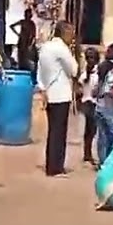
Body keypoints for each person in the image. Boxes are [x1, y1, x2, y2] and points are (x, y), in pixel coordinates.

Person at [36, 21, 78, 178]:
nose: (72, 37)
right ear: (65, 33)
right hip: (61, 94)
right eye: (71, 33)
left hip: (49, 92)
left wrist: (42, 88)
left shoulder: (45, 47)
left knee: (53, 131)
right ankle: (56, 168)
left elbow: (39, 72)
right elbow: (74, 70)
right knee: (59, 133)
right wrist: (72, 53)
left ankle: (51, 164)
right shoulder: (61, 49)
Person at [78, 48, 100, 165]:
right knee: (90, 131)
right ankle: (87, 154)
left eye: (92, 57)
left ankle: (88, 154)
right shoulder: (87, 73)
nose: (90, 60)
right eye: (88, 58)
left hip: (91, 103)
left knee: (91, 131)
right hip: (89, 103)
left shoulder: (96, 72)